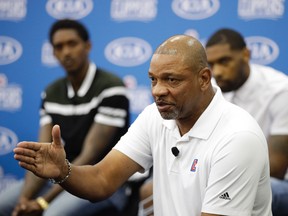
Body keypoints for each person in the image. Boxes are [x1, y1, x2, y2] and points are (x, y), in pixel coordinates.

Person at [13, 34, 273, 216]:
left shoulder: (238, 137)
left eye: (171, 80)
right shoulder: (155, 117)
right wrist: (64, 171)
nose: (158, 91)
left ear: (204, 79)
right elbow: (101, 180)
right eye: (153, 80)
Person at [0, 19, 130, 216]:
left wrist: (43, 203)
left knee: (51, 214)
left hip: (104, 181)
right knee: (5, 205)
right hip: (59, 177)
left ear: (87, 46)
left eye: (72, 44)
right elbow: (41, 154)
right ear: (53, 52)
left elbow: (90, 155)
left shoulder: (111, 87)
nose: (66, 52)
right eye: (59, 47)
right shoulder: (51, 93)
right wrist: (24, 201)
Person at [205, 28, 288, 216]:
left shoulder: (280, 91)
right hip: (223, 176)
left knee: (231, 193)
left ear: (246, 54)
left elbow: (275, 168)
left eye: (225, 61)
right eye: (211, 64)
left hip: (276, 183)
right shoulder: (211, 90)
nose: (217, 71)